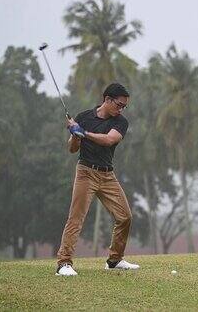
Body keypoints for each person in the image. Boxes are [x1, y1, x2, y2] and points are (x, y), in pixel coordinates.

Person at [56, 83, 139, 276]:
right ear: (107, 99)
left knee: (125, 216)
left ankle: (115, 260)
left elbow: (109, 140)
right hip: (86, 172)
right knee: (76, 218)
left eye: (124, 106)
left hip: (108, 175)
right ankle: (64, 263)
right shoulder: (84, 117)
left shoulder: (120, 122)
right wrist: (75, 135)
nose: (121, 109)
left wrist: (83, 132)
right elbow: (72, 149)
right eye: (119, 104)